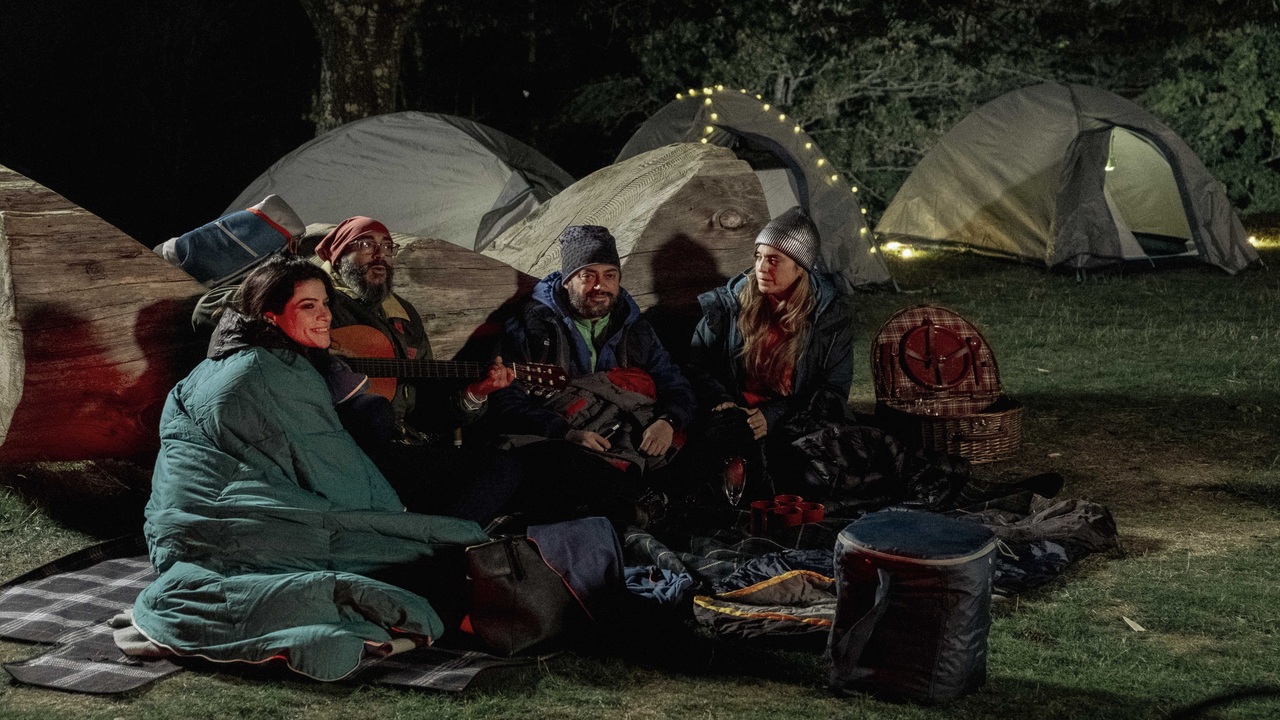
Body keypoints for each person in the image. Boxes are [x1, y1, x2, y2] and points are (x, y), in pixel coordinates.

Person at [133, 255, 490, 681]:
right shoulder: (266, 371)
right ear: (270, 313)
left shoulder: (233, 360)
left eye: (325, 304)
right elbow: (329, 469)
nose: (325, 315)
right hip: (228, 528)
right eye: (308, 306)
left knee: (436, 552)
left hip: (184, 528)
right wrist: (397, 520)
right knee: (434, 554)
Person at [484, 224, 697, 525]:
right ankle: (641, 507)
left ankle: (646, 505)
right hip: (563, 442)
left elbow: (675, 384)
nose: (601, 286)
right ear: (569, 280)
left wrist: (668, 421)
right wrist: (566, 433)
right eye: (589, 276)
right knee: (562, 464)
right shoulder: (532, 328)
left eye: (610, 275)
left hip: (627, 438)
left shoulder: (635, 328)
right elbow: (506, 401)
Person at [685, 206, 856, 500]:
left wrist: (773, 415)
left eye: (774, 260)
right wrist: (722, 400)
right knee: (730, 435)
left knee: (810, 473)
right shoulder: (730, 305)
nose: (762, 267)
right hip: (734, 416)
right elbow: (695, 364)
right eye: (759, 257)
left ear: (800, 269)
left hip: (794, 420)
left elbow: (833, 391)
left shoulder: (828, 318)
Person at [314, 216, 514, 443]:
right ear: (340, 256)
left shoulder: (404, 315)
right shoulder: (318, 304)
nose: (380, 255)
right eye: (366, 245)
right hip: (339, 438)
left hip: (401, 440)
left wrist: (476, 393)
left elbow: (425, 412)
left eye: (388, 247)